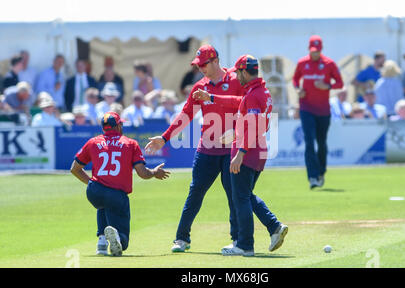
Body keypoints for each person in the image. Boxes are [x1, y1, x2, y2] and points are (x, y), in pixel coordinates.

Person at [145, 45, 284, 254]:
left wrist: (216, 102)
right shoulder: (200, 86)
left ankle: (238, 241)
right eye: (197, 64)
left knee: (236, 196)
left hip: (232, 149)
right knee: (196, 193)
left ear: (215, 61)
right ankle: (181, 238)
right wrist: (165, 138)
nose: (200, 68)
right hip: (207, 149)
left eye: (203, 64)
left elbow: (246, 102)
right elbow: (186, 115)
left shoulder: (238, 79)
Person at [192, 55, 288, 256]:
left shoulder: (253, 95)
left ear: (245, 71)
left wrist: (240, 153)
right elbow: (239, 102)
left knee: (240, 198)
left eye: (237, 72)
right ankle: (274, 227)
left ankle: (245, 245)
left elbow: (252, 125)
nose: (236, 76)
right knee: (245, 195)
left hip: (248, 151)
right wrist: (211, 97)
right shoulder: (260, 91)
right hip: (258, 149)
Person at [70, 111, 170, 256]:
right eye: (121, 124)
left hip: (94, 191)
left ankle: (102, 242)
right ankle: (118, 239)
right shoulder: (130, 143)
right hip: (116, 195)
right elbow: (142, 173)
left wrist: (92, 183)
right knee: (123, 240)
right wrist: (154, 173)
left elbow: (74, 169)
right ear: (117, 126)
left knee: (102, 205)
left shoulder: (93, 142)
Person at [292, 35, 344, 189]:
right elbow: (295, 80)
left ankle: (321, 171)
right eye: (312, 51)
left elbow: (340, 83)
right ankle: (312, 177)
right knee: (309, 141)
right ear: (309, 49)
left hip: (323, 110)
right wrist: (297, 89)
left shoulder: (329, 64)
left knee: (321, 143)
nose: (315, 54)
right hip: (306, 108)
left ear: (321, 50)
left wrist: (327, 86)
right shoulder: (302, 63)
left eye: (317, 51)